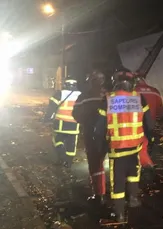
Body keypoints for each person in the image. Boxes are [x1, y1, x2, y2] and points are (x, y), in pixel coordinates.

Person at [94, 69, 155, 222]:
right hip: (135, 147)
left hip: (117, 149)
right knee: (134, 173)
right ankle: (133, 199)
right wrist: (152, 139)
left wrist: (100, 146)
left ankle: (120, 214)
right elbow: (149, 123)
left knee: (118, 181)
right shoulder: (139, 98)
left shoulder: (108, 99)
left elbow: (99, 128)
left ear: (115, 82)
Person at [72, 71, 107, 205]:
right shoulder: (109, 95)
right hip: (111, 134)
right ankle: (122, 194)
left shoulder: (84, 97)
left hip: (91, 134)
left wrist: (87, 122)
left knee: (95, 164)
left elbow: (75, 114)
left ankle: (99, 195)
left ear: (90, 81)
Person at [44, 78, 81, 168]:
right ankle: (68, 163)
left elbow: (51, 107)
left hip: (61, 124)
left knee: (57, 140)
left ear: (65, 84)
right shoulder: (80, 95)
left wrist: (46, 118)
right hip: (74, 125)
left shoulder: (60, 93)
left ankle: (62, 157)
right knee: (71, 144)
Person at [134, 74, 163, 168]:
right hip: (151, 124)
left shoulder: (133, 92)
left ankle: (146, 166)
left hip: (138, 124)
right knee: (149, 142)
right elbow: (161, 112)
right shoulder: (155, 91)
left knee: (141, 146)